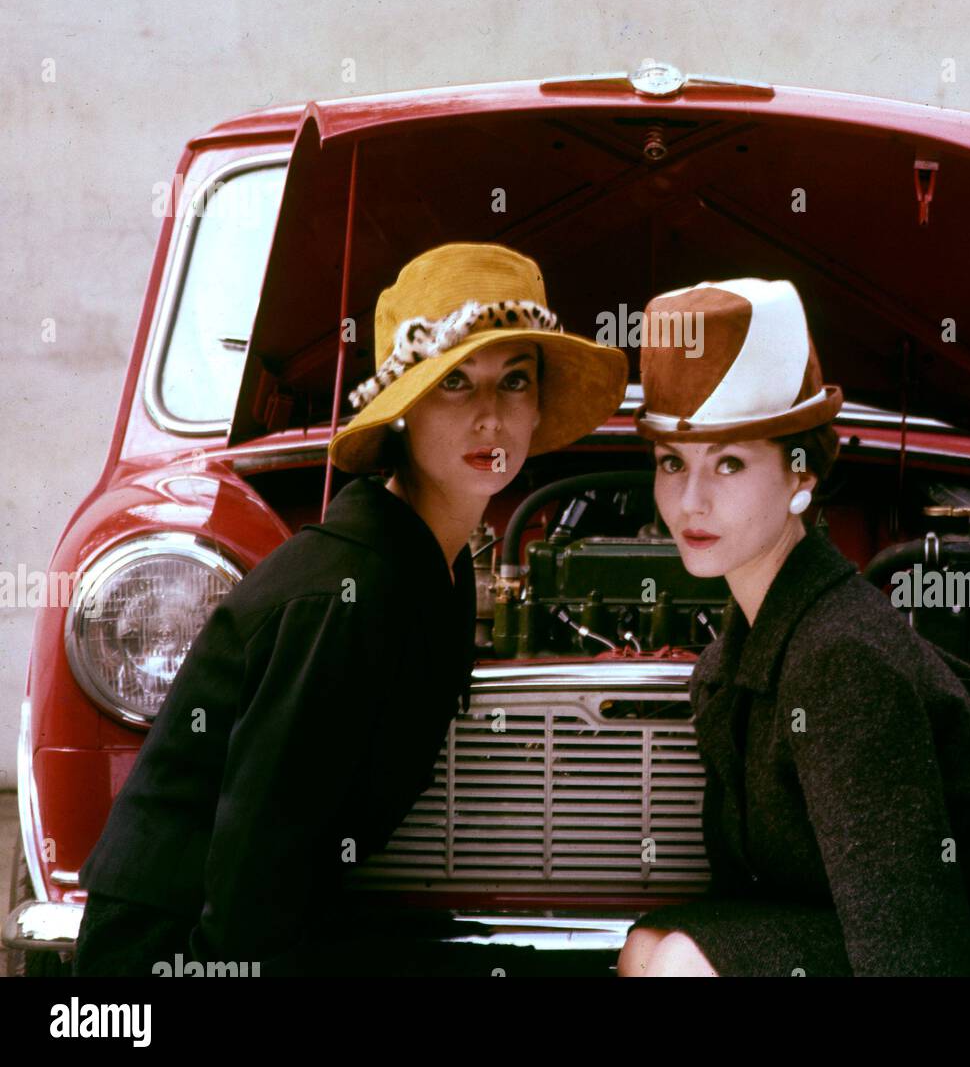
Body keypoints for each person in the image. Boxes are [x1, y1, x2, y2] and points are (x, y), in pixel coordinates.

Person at [73, 241, 627, 976]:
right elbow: (248, 891)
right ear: (404, 410)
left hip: (293, 930)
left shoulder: (439, 564)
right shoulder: (346, 594)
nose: (491, 418)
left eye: (515, 381)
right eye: (455, 383)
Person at [617, 276, 970, 977]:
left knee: (681, 966)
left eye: (729, 463)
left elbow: (915, 953)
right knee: (651, 947)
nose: (690, 500)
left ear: (801, 475)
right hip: (968, 945)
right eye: (672, 463)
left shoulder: (840, 657)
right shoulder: (740, 654)